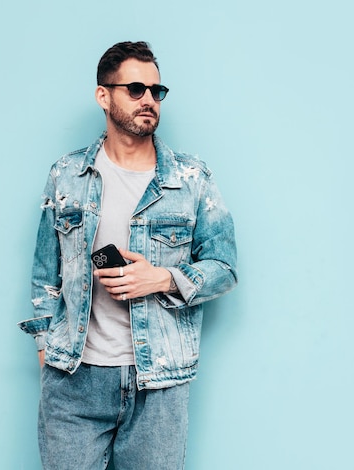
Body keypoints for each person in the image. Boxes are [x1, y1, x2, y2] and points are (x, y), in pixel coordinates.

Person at [18, 41, 238, 469]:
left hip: (158, 384)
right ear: (104, 95)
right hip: (73, 380)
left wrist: (162, 279)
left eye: (157, 92)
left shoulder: (190, 178)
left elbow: (224, 268)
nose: (149, 101)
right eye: (135, 89)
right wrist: (47, 349)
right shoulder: (67, 174)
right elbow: (46, 272)